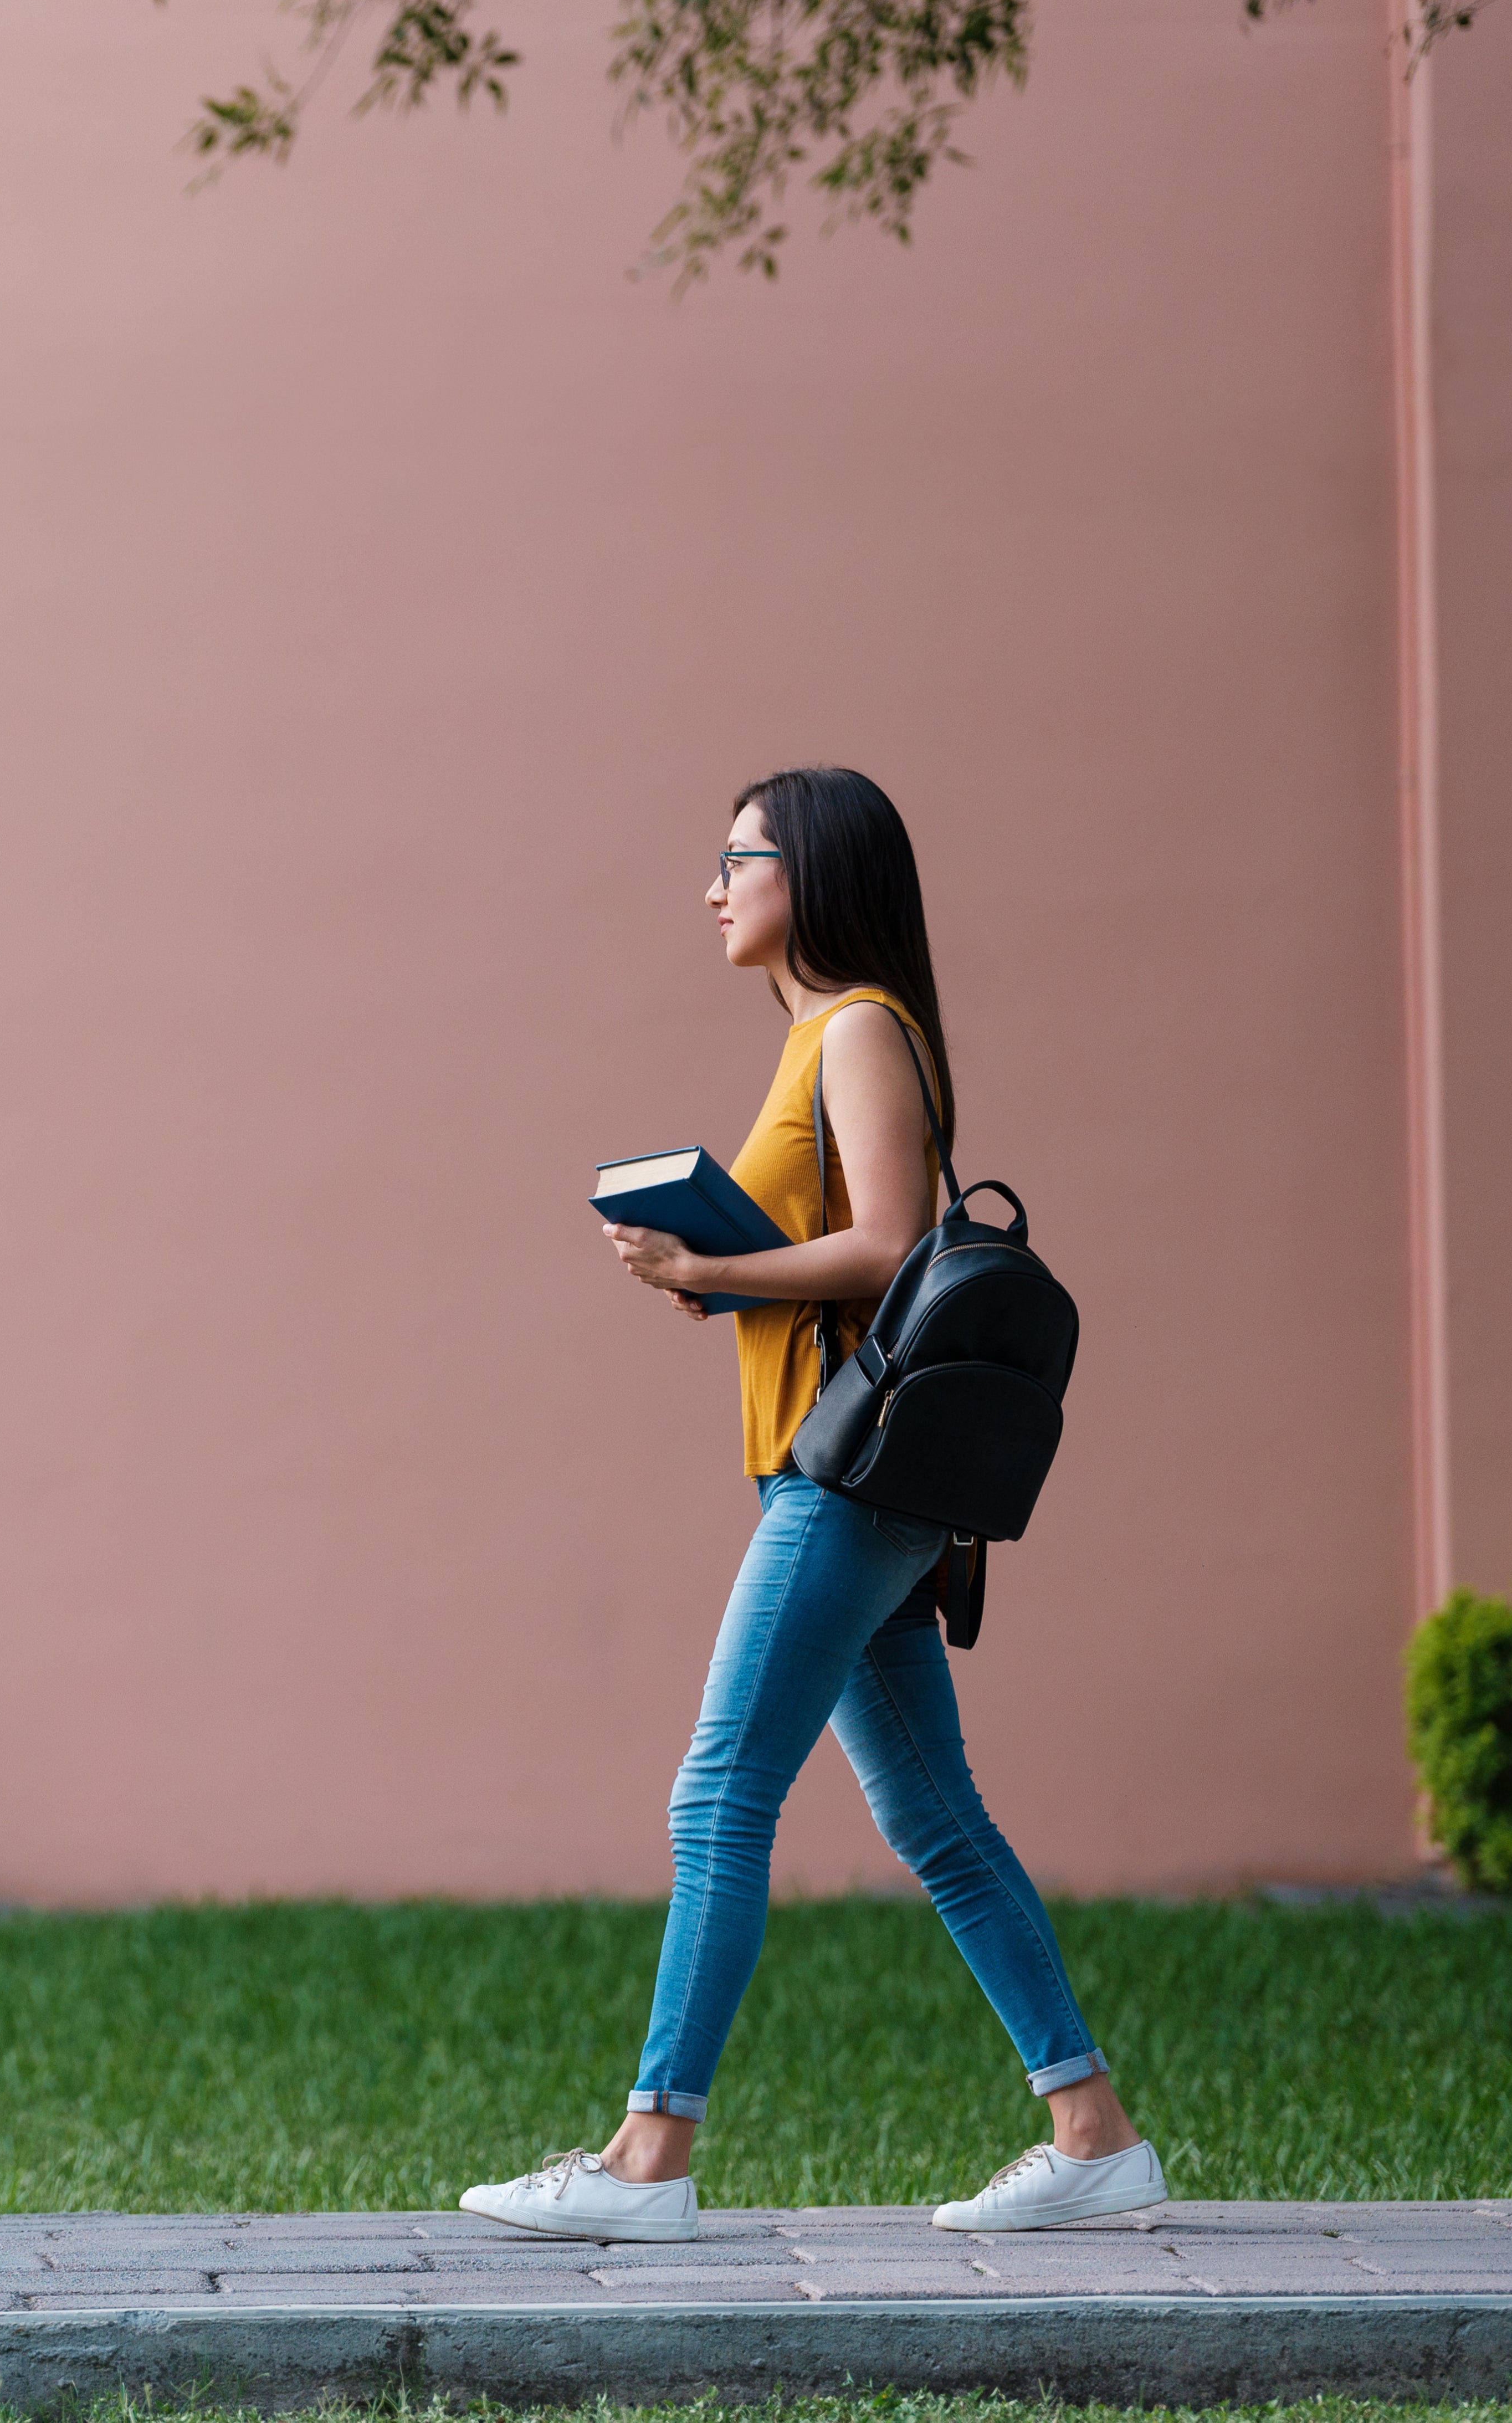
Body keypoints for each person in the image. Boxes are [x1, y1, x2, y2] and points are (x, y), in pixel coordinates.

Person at [462, 767, 1165, 2242]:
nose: (712, 887)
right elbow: (835, 1256)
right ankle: (1092, 2133)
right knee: (935, 1819)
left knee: (717, 1794)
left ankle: (649, 2158)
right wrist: (711, 1277)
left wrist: (714, 1270)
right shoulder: (808, 1044)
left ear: (815, 877)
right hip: (844, 1471)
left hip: (844, 1484)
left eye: (739, 860)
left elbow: (891, 1246)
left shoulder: (854, 1030)